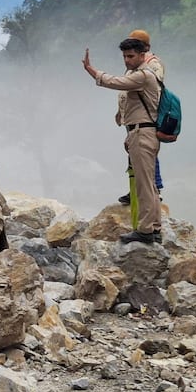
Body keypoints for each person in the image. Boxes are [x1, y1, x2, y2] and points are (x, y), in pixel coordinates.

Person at [83, 34, 163, 243]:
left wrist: (92, 71)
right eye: (125, 57)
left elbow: (115, 82)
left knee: (144, 185)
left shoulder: (143, 75)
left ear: (142, 54)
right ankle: (154, 227)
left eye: (131, 56)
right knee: (150, 183)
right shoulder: (142, 73)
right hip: (141, 131)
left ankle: (145, 231)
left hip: (142, 133)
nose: (127, 60)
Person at [115, 29, 166, 205]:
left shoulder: (152, 65)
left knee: (147, 155)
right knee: (135, 153)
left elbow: (152, 89)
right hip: (133, 117)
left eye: (136, 42)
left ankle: (154, 189)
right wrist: (120, 112)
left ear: (146, 47)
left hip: (146, 118)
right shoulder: (135, 64)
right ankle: (136, 188)